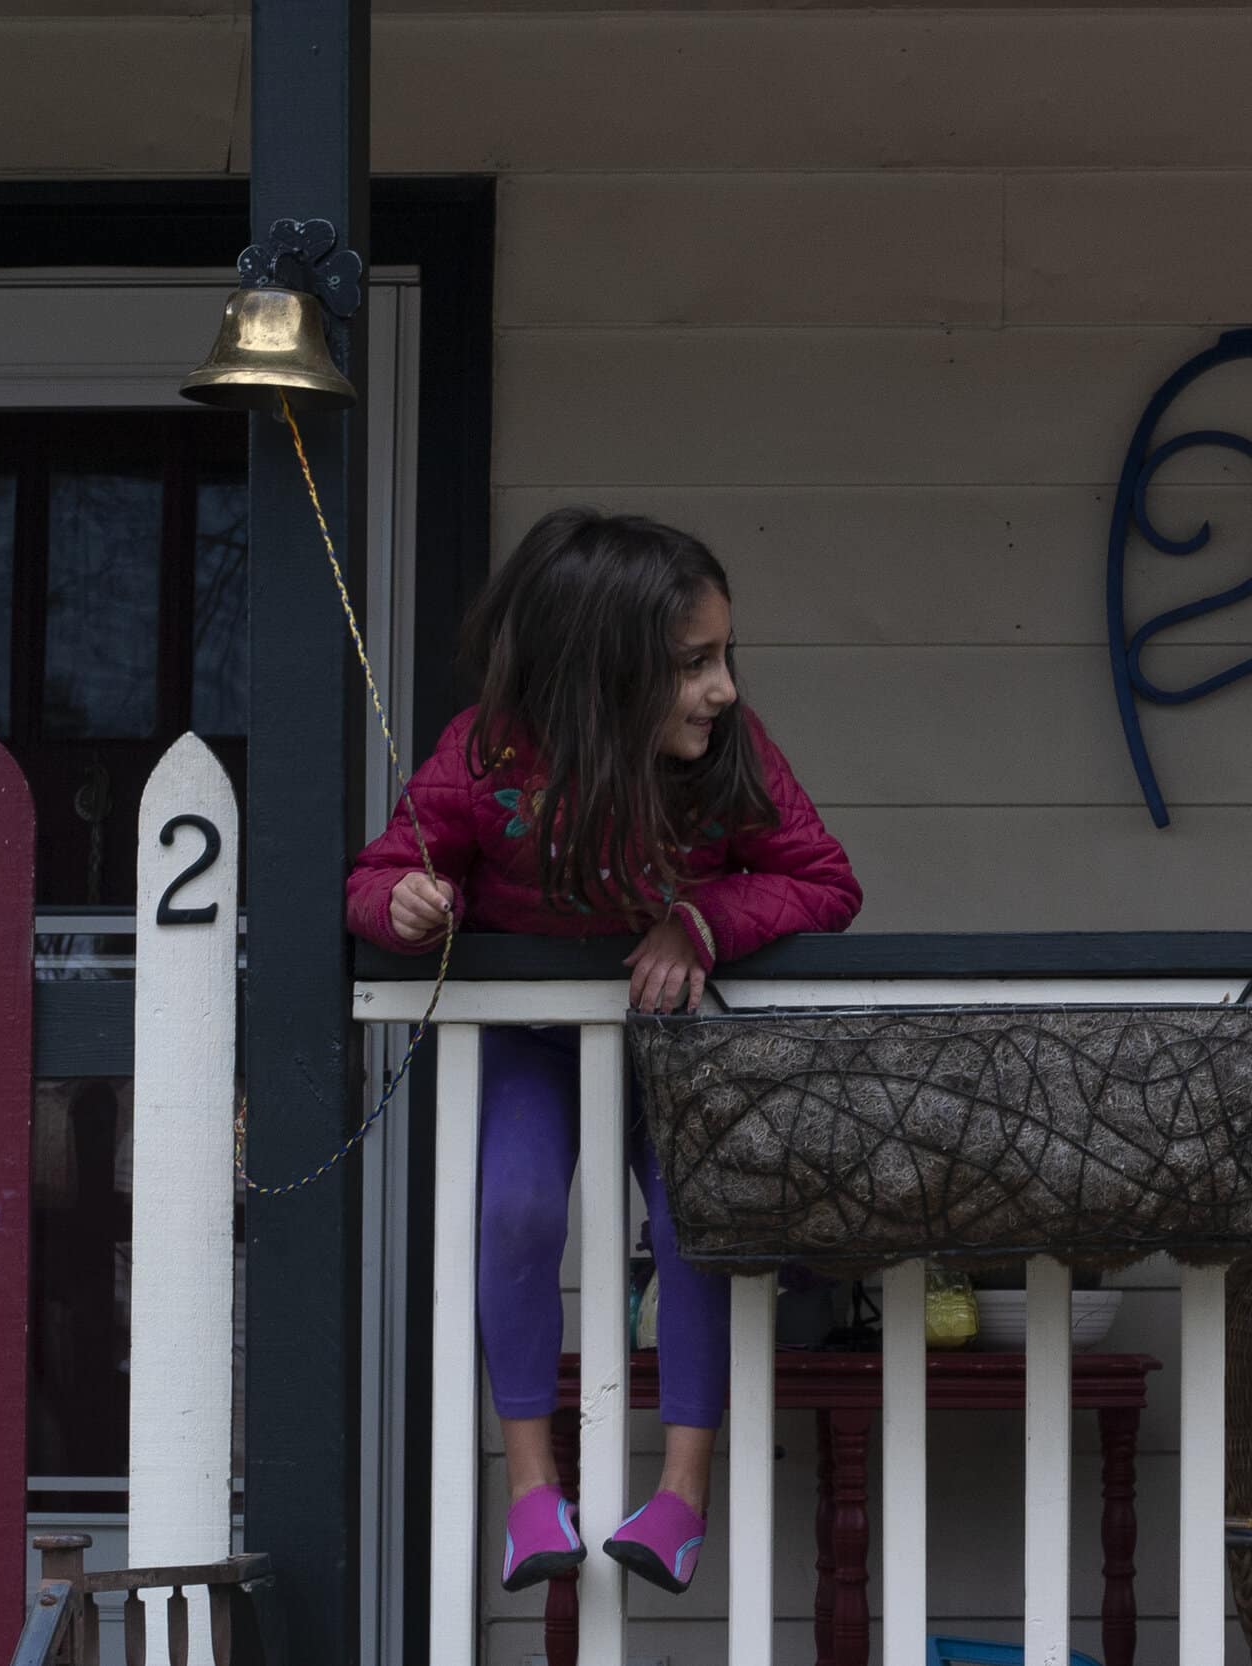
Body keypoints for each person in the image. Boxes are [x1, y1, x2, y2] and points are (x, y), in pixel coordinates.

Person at [347, 508, 862, 1596]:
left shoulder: (732, 754)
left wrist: (705, 917)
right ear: (601, 670)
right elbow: (379, 872)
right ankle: (533, 1492)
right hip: (535, 1049)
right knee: (518, 1208)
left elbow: (825, 879)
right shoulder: (484, 753)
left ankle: (681, 1494)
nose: (723, 687)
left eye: (726, 656)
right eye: (694, 664)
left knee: (694, 1228)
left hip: (677, 1053)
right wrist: (404, 901)